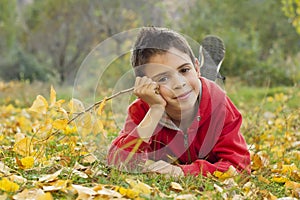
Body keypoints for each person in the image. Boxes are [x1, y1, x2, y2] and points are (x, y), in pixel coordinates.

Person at [107, 27, 250, 177]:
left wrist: (182, 171)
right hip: (188, 92)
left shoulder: (220, 105)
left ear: (195, 67)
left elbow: (239, 166)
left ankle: (207, 75)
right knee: (189, 89)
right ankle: (201, 74)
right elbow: (117, 162)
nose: (179, 83)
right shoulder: (142, 110)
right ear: (148, 85)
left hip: (205, 97)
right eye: (163, 78)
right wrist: (155, 110)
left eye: (184, 70)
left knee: (202, 90)